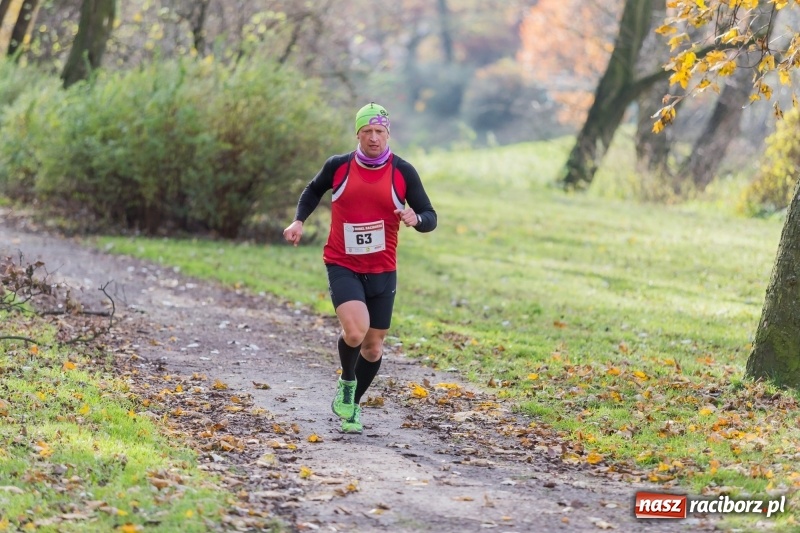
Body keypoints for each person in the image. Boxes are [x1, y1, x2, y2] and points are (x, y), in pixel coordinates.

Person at [283, 102, 437, 434]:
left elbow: (430, 216)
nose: (373, 138)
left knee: (373, 346)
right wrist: (298, 221)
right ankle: (347, 381)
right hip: (343, 262)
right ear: (357, 133)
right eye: (366, 131)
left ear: (388, 134)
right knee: (356, 331)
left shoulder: (402, 172)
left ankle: (352, 404)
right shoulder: (338, 166)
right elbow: (313, 190)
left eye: (379, 131)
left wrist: (416, 218)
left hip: (383, 269)